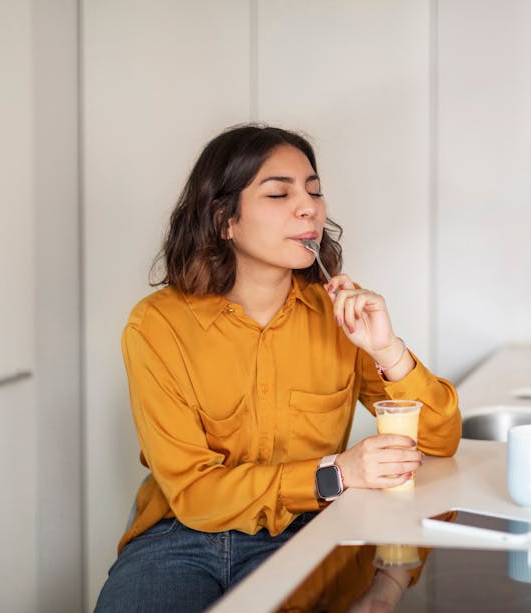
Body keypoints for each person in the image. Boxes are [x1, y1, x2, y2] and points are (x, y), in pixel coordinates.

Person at [94, 124, 462, 612]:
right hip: (177, 539)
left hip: (307, 529)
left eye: (314, 191)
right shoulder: (157, 325)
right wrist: (337, 472)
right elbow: (196, 494)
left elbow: (441, 438)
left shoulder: (341, 319)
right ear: (224, 218)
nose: (308, 206)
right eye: (278, 193)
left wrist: (386, 347)